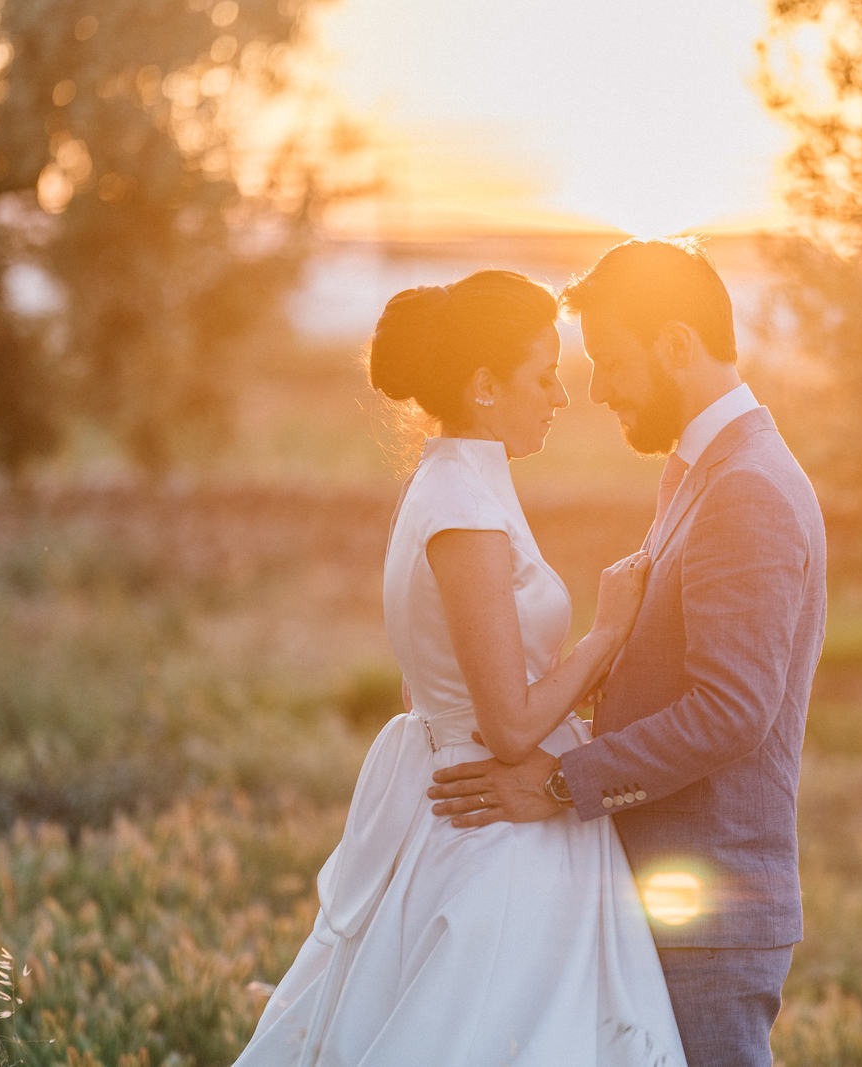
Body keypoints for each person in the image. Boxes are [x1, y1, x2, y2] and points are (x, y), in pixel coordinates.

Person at [234, 269, 687, 1066]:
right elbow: (509, 727)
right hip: (493, 825)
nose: (560, 394)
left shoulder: (453, 483)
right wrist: (605, 638)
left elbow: (426, 682)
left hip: (461, 795)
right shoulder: (466, 510)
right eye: (542, 375)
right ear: (484, 386)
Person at [429, 238, 828, 1067]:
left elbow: (731, 712)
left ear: (677, 346)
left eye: (611, 361)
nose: (598, 388)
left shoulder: (746, 486)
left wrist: (557, 783)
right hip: (657, 898)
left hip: (706, 915)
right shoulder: (699, 472)